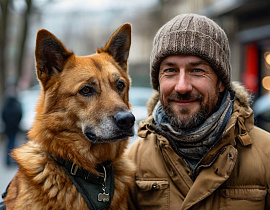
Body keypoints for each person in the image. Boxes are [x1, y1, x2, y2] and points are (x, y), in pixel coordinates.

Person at [126, 13, 270, 209]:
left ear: (220, 82)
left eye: (197, 70)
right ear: (158, 81)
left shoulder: (266, 155)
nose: (182, 86)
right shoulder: (132, 161)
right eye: (170, 70)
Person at [2, 85, 22, 166]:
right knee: (13, 143)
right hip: (14, 127)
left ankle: (7, 160)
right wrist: (17, 123)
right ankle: (12, 159)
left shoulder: (6, 103)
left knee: (9, 143)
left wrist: (6, 123)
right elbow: (20, 114)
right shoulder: (16, 103)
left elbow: (3, 114)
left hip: (8, 127)